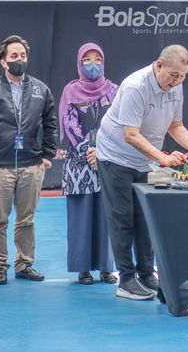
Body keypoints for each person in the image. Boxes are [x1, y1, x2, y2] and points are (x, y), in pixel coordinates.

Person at [96, 45, 188, 300]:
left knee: (145, 219)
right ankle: (125, 279)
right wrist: (163, 158)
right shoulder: (136, 86)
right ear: (158, 65)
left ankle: (147, 274)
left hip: (145, 161)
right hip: (115, 157)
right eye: (173, 75)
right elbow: (131, 135)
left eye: (182, 76)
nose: (177, 81)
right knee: (122, 217)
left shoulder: (175, 87)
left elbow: (175, 125)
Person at [0, 35, 58, 285]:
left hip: (31, 164)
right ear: (3, 61)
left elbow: (50, 123)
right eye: (14, 56)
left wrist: (47, 155)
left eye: (23, 56)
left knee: (26, 219)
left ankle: (24, 263)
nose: (19, 60)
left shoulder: (40, 89)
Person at [58, 43, 117, 285]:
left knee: (106, 218)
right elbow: (70, 127)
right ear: (79, 64)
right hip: (78, 168)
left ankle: (106, 267)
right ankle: (83, 269)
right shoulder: (71, 92)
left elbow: (120, 124)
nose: (93, 65)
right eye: (87, 60)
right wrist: (89, 152)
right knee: (81, 218)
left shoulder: (115, 91)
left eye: (97, 59)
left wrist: (102, 152)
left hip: (108, 163)